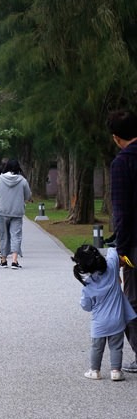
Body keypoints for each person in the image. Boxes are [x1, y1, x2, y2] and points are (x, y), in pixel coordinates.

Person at [72, 243, 137, 380]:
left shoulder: (88, 284)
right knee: (116, 347)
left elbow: (86, 306)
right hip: (117, 320)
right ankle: (116, 371)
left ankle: (95, 371)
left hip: (99, 324)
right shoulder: (112, 269)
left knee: (97, 348)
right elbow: (113, 251)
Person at [106, 109, 137, 371]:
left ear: (116, 138)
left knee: (131, 300)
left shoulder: (122, 163)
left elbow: (123, 211)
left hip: (134, 246)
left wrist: (121, 252)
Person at [0, 159, 31, 268]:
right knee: (16, 236)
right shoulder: (22, 181)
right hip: (17, 212)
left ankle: (3, 260)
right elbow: (28, 196)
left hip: (2, 212)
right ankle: (14, 260)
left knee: (3, 236)